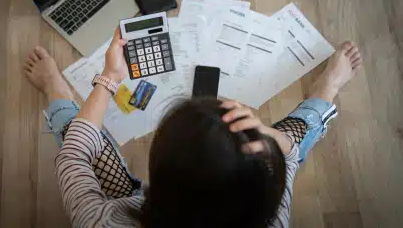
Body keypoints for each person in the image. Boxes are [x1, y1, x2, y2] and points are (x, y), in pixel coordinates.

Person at [24, 28, 362, 228]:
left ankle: (56, 92)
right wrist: (266, 134)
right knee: (294, 134)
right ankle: (326, 91)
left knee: (80, 133)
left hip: (136, 210)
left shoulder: (100, 222)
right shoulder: (271, 219)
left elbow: (74, 155)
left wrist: (110, 78)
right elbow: (289, 157)